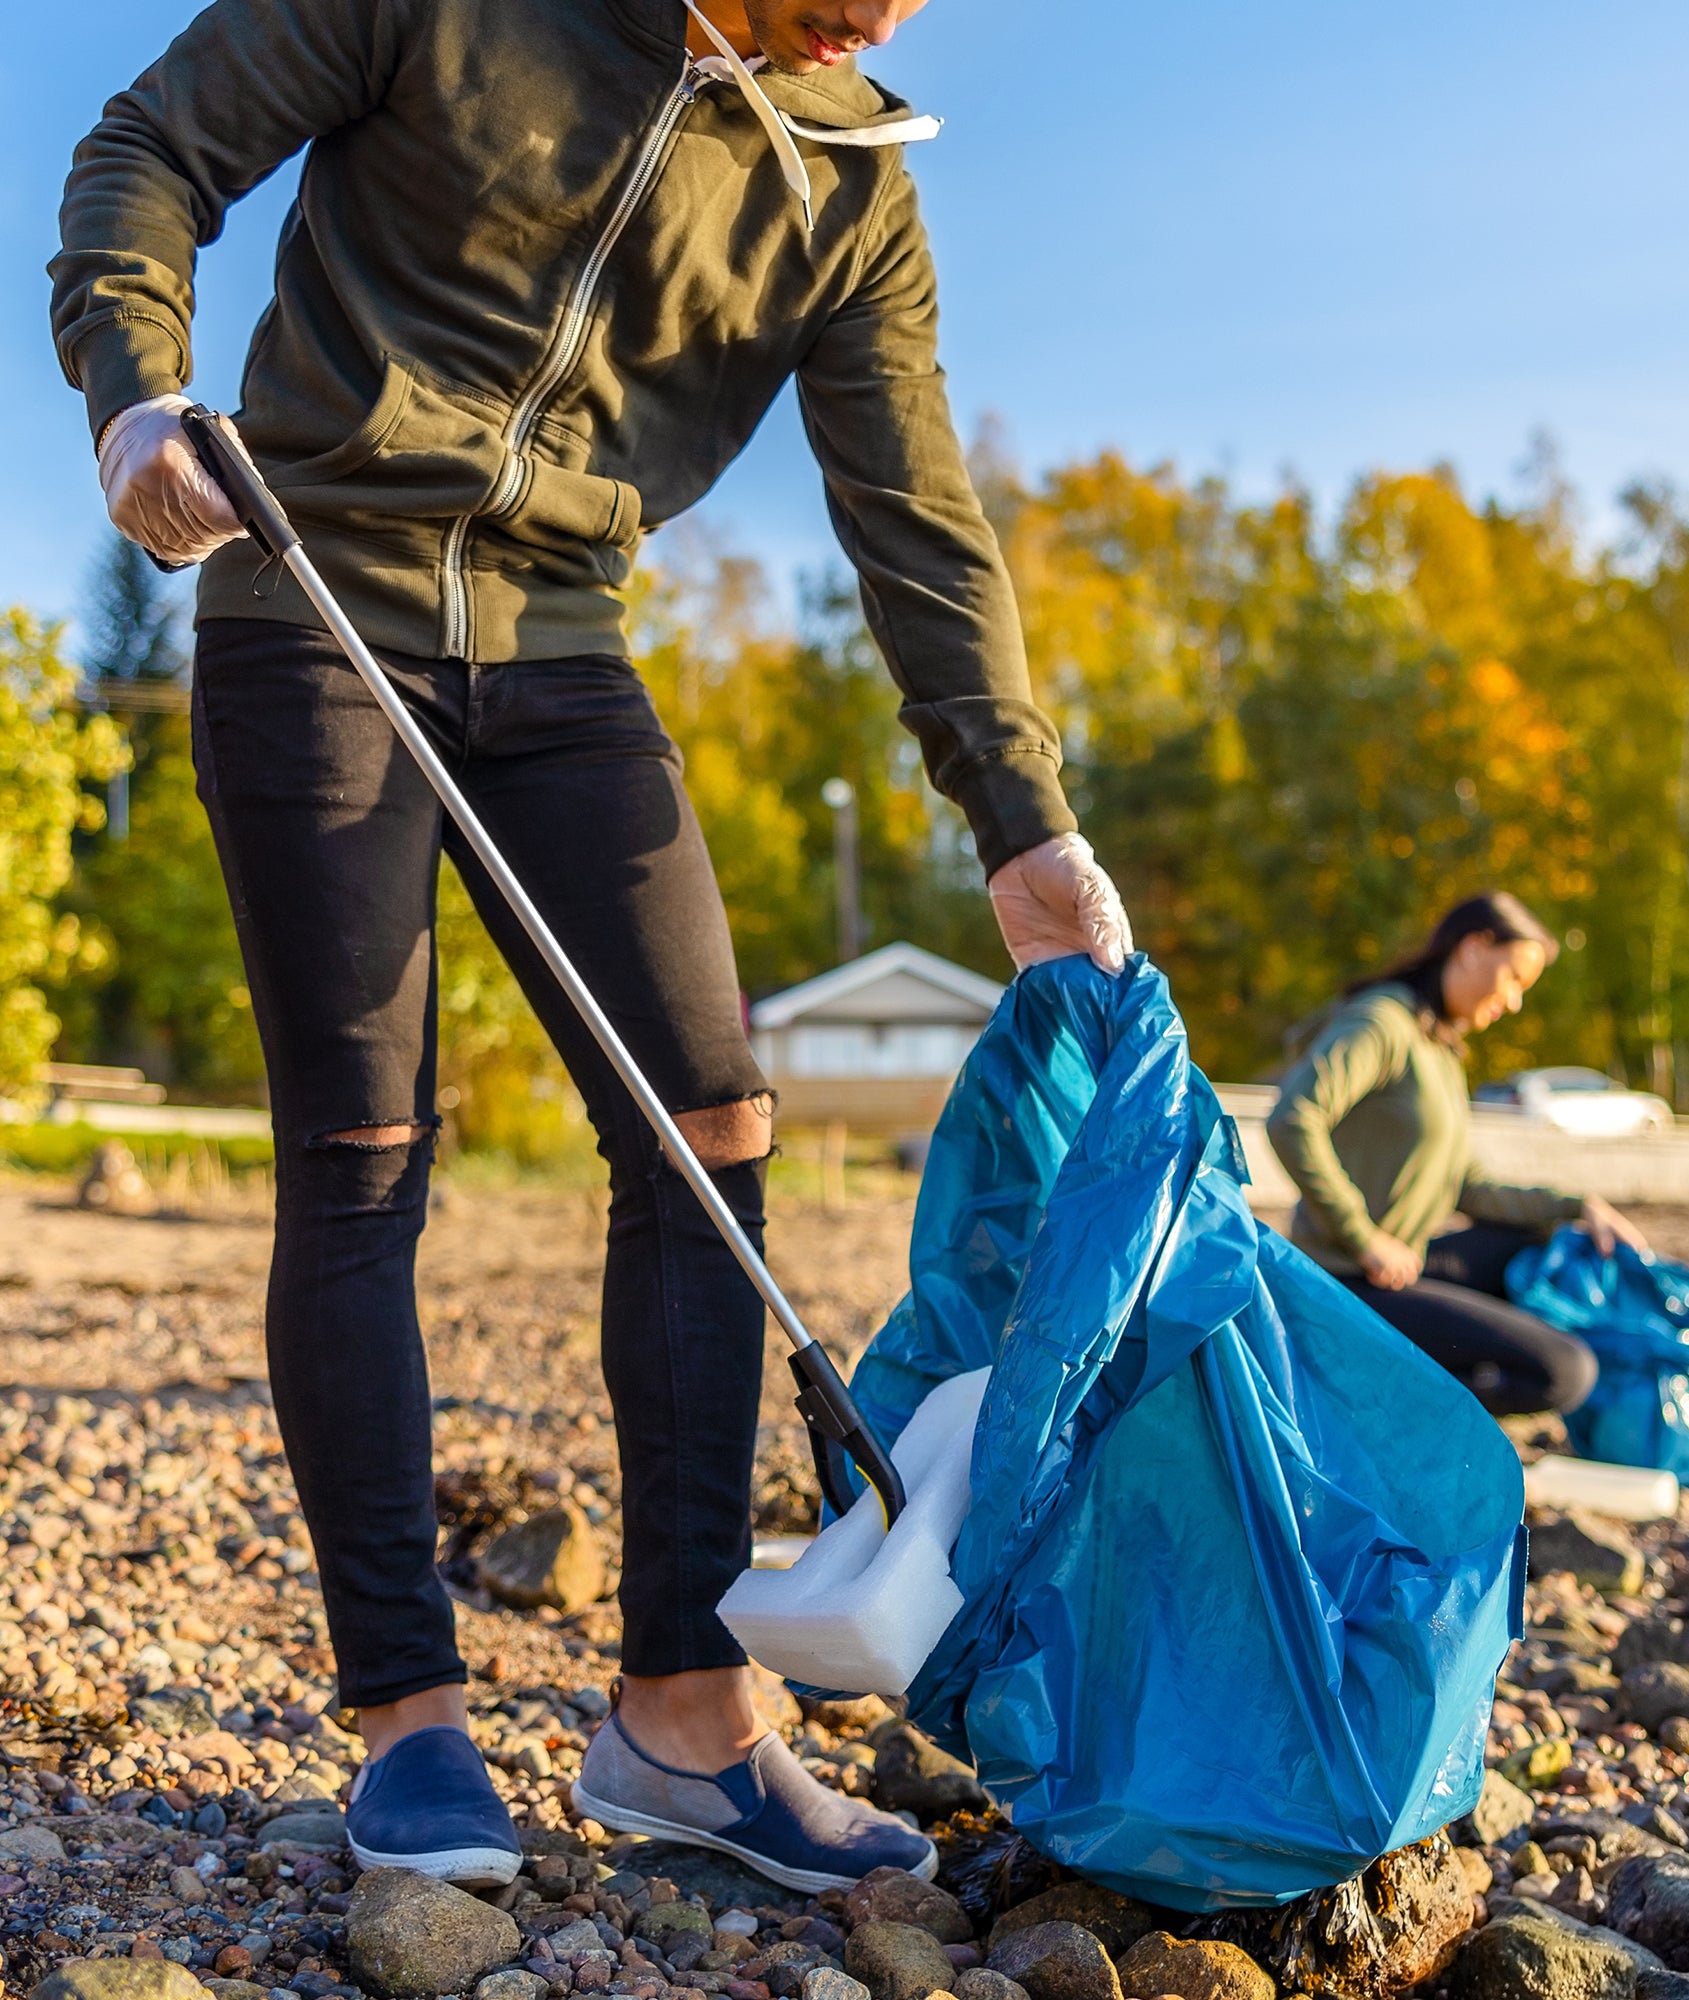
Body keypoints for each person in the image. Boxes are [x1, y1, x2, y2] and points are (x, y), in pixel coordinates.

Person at [53, 0, 1133, 1892]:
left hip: (561, 649)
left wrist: (1021, 824)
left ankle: (684, 1717)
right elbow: (145, 145)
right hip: (320, 596)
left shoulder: (849, 180)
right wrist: (137, 383)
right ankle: (409, 1723)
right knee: (364, 1153)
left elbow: (916, 512)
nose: (886, 17)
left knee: (714, 1128)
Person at [1267, 893, 1647, 1418]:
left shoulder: (1439, 1047)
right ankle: (1384, 1418)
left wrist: (1578, 1207)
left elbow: (1467, 1184)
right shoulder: (1382, 1022)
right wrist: (1364, 1237)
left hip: (1403, 1262)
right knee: (1565, 1372)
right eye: (1514, 978)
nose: (1515, 1002)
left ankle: (1401, 1387)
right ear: (1472, 949)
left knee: (1542, 1243)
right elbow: (1293, 1116)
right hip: (1345, 1280)